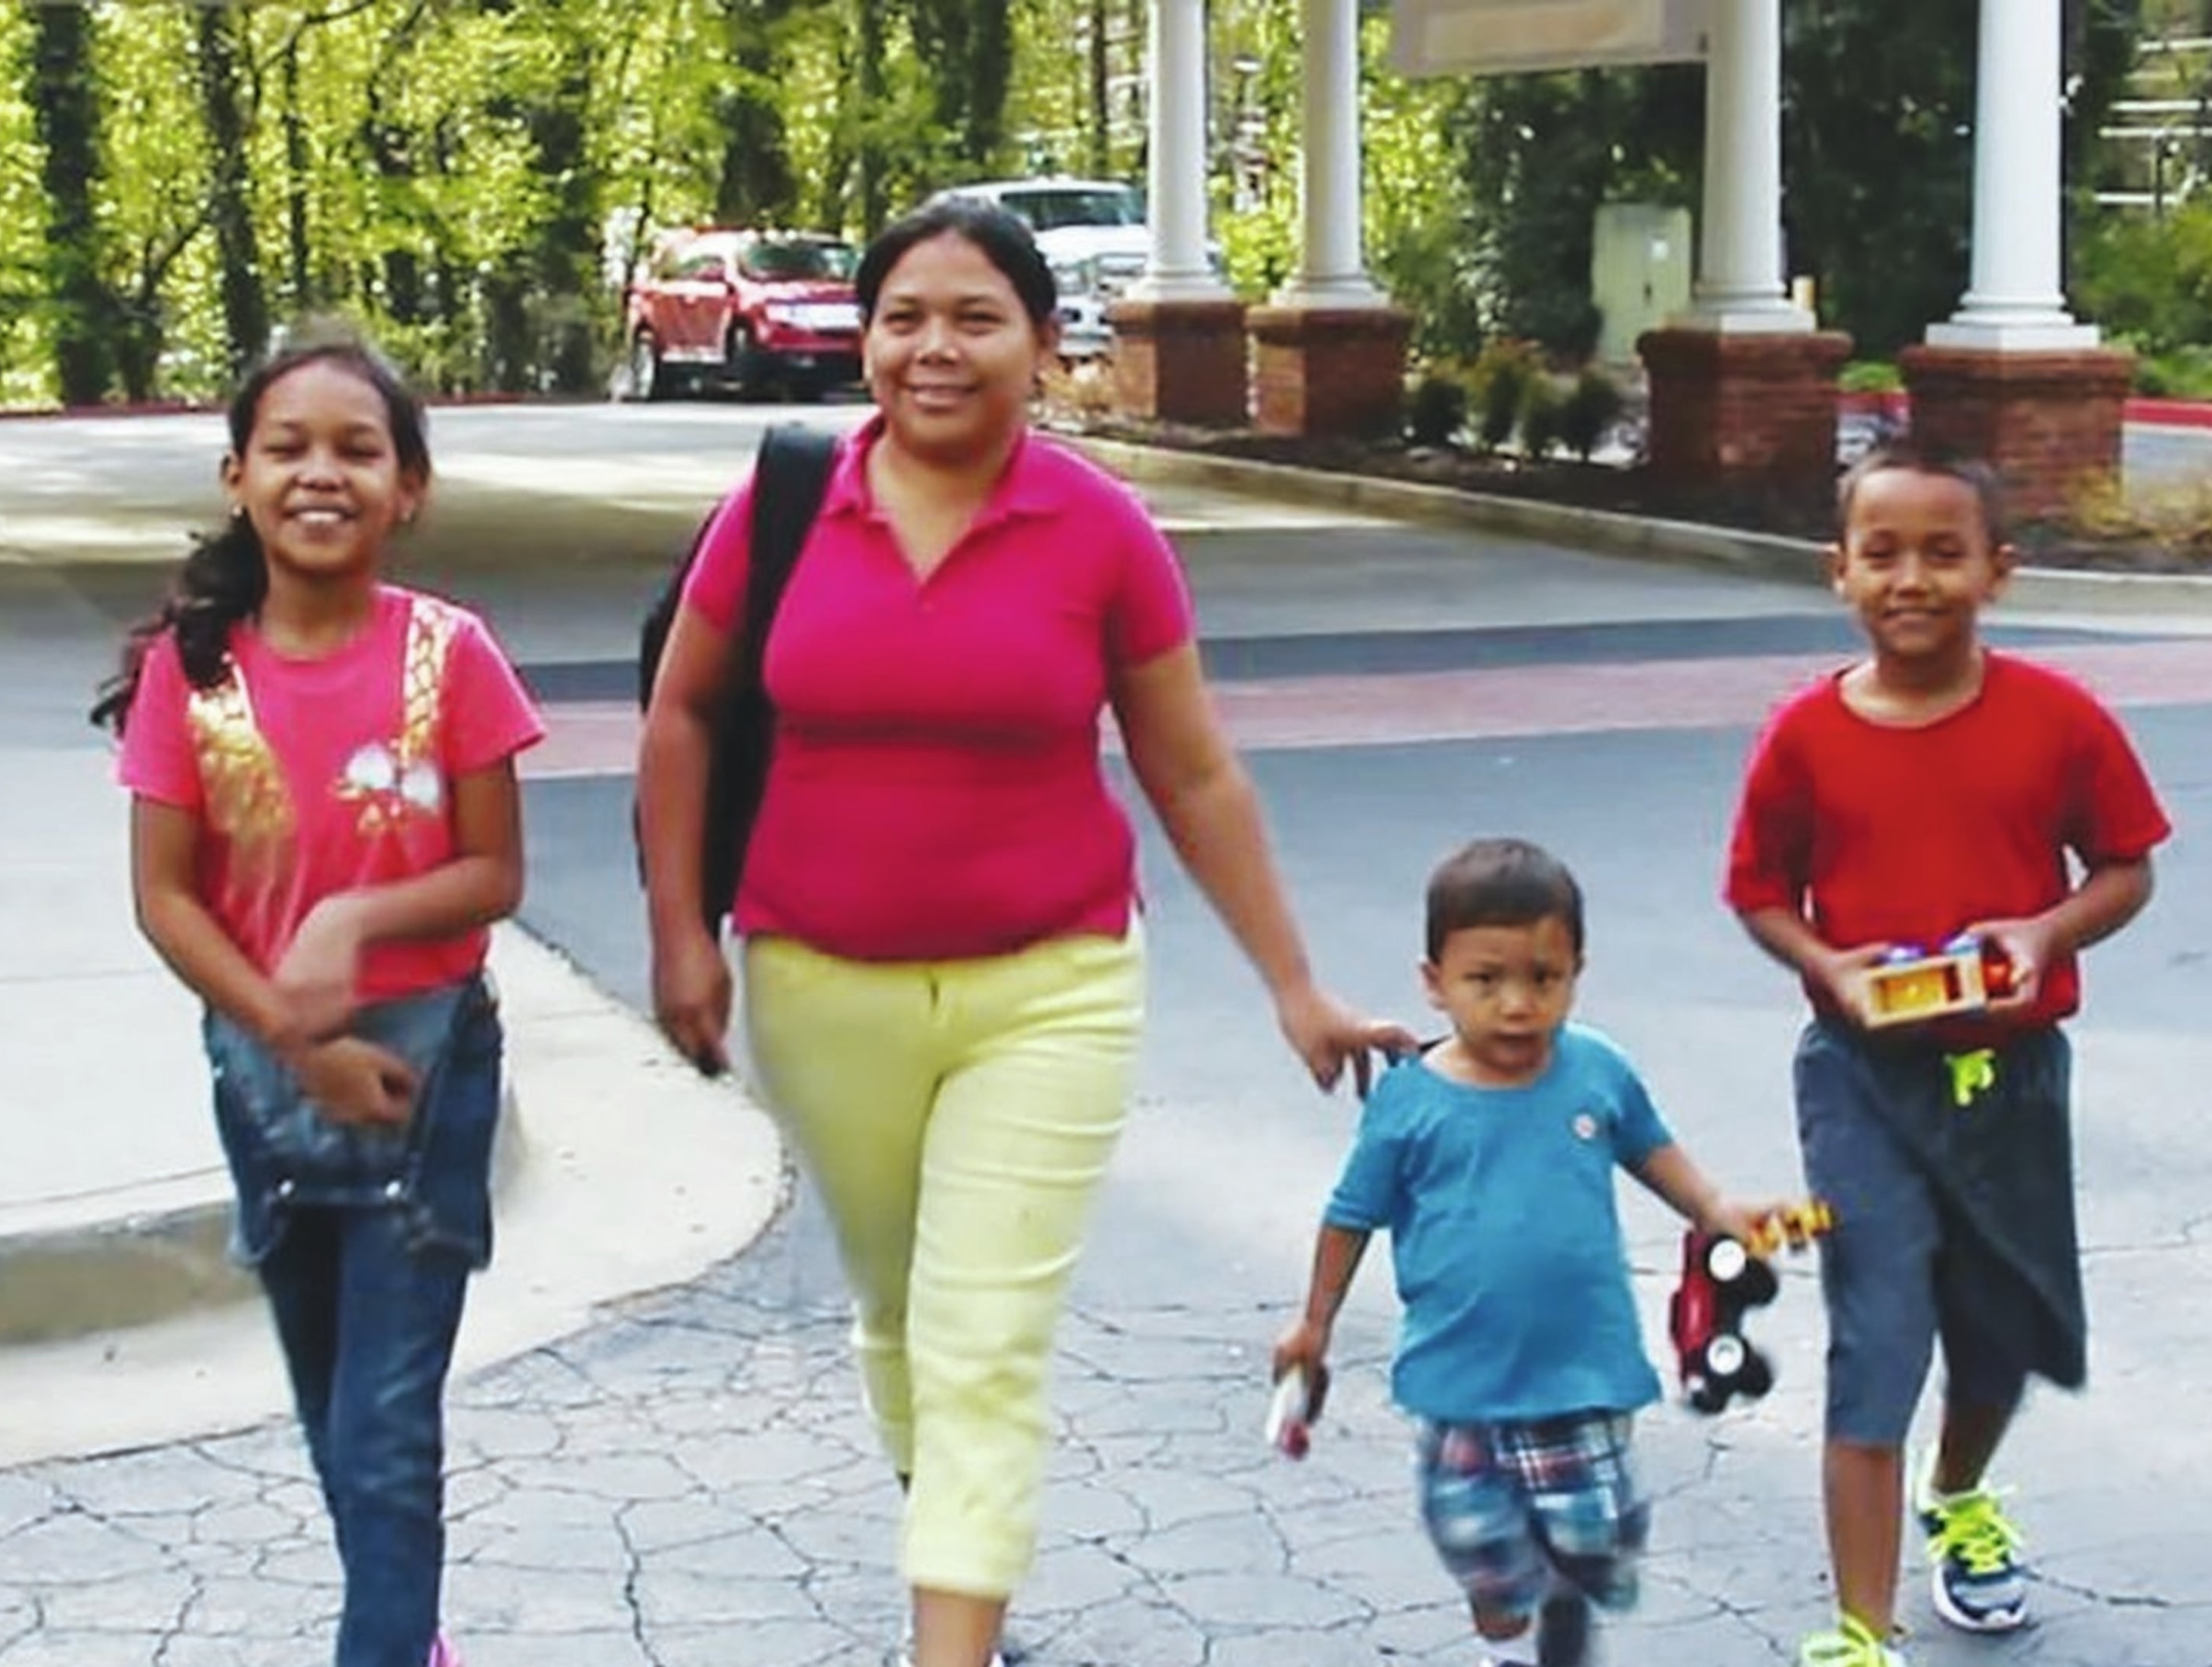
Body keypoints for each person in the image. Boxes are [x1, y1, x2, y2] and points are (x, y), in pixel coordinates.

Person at [634, 195, 1410, 1667]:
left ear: (1046, 347)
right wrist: (682, 934)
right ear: (864, 339)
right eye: (904, 317)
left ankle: (955, 1638)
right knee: (900, 1314)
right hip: (816, 979)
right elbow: (682, 714)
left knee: (982, 1342)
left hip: (1051, 987)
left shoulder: (1101, 531)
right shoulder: (786, 504)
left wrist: (1292, 984)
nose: (936, 349)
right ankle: (962, 1543)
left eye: (977, 319)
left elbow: (1192, 769)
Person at [93, 321, 544, 1667]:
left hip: (426, 1076)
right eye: (287, 448)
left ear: (409, 487)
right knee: (332, 1409)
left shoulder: (450, 656)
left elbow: (495, 869)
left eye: (359, 449)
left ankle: (387, 1644)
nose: (320, 474)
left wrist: (357, 916)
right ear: (237, 475)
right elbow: (167, 898)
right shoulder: (197, 671)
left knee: (389, 1430)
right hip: (267, 1083)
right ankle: (408, 1634)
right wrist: (296, 1039)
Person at [1721, 443, 2173, 1667]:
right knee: (1876, 1339)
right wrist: (1829, 967)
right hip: (1861, 1080)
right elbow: (1759, 892)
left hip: (2013, 1078)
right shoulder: (1806, 735)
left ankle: (1960, 1494)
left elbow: (2126, 865)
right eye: (1882, 552)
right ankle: (1862, 1637)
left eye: (1942, 552)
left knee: (2002, 1332)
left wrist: (2044, 930)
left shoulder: (2061, 720)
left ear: (1998, 572)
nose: (1909, 578)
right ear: (1840, 573)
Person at [1271, 837, 1804, 1667]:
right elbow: (1350, 1216)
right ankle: (1507, 1594)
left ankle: (1568, 1597)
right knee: (1477, 1540)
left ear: (1576, 972)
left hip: (1580, 1372)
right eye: (1486, 982)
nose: (1517, 1005)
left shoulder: (1596, 1070)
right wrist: (1314, 1326)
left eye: (1544, 979)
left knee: (1592, 1544)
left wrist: (1715, 1207)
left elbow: (1652, 1149)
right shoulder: (1410, 1101)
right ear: (1435, 983)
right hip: (1461, 1383)